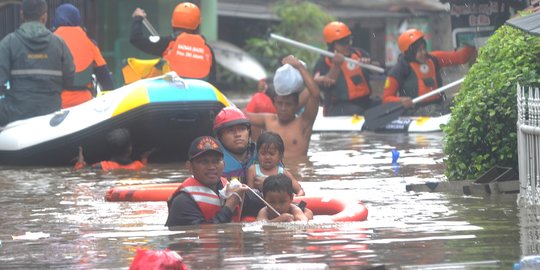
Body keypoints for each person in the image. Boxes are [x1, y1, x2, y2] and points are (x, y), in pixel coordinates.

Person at [0, 0, 75, 127]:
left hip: (16, 112)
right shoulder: (59, 44)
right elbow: (70, 80)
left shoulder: (8, 42)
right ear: (44, 17)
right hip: (51, 111)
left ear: (22, 15)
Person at [382, 28, 476, 116]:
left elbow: (461, 58)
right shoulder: (399, 69)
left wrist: (472, 40)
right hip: (415, 111)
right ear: (409, 53)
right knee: (434, 109)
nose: (423, 53)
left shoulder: (434, 59)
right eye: (419, 51)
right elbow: (386, 99)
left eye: (424, 49)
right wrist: (400, 100)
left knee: (462, 99)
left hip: (439, 105)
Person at [246, 55, 321, 160]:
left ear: (296, 105)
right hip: (273, 174)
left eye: (288, 104)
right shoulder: (268, 120)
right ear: (275, 102)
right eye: (280, 103)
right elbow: (242, 115)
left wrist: (299, 67)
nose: (283, 108)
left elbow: (315, 95)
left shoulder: (304, 123)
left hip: (297, 174)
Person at [165, 136, 248, 227]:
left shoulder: (231, 189)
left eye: (216, 161)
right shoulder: (183, 202)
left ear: (224, 164)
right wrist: (229, 206)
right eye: (204, 162)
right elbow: (205, 233)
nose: (211, 167)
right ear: (190, 166)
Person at [130, 2, 216, 84]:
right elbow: (213, 81)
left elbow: (136, 39)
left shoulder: (168, 43)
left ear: (172, 21)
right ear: (199, 23)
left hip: (172, 95)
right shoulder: (207, 49)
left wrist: (138, 18)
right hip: (200, 96)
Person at [52, 3, 114, 108]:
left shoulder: (50, 41)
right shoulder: (89, 42)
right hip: (84, 103)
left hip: (57, 103)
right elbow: (104, 76)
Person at [313, 21, 378, 116]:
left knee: (384, 105)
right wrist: (336, 65)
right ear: (332, 45)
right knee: (358, 111)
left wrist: (369, 64)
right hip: (338, 105)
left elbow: (379, 70)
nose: (347, 45)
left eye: (349, 41)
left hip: (364, 101)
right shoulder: (324, 61)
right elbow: (325, 85)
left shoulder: (358, 54)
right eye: (343, 43)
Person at [213, 106, 263, 218]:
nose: (237, 134)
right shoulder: (213, 162)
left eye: (242, 129)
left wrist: (269, 183)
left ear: (249, 132)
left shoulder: (264, 153)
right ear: (220, 137)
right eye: (231, 131)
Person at [246, 131, 305, 196]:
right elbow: (250, 195)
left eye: (271, 154)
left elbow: (300, 191)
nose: (267, 157)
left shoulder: (283, 173)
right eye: (263, 153)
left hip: (278, 205)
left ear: (280, 156)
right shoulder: (252, 170)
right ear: (258, 154)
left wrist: (266, 185)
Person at [75, 128, 153, 171]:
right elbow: (144, 171)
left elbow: (80, 173)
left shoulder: (101, 166)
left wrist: (80, 162)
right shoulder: (138, 165)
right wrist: (144, 158)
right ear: (130, 149)